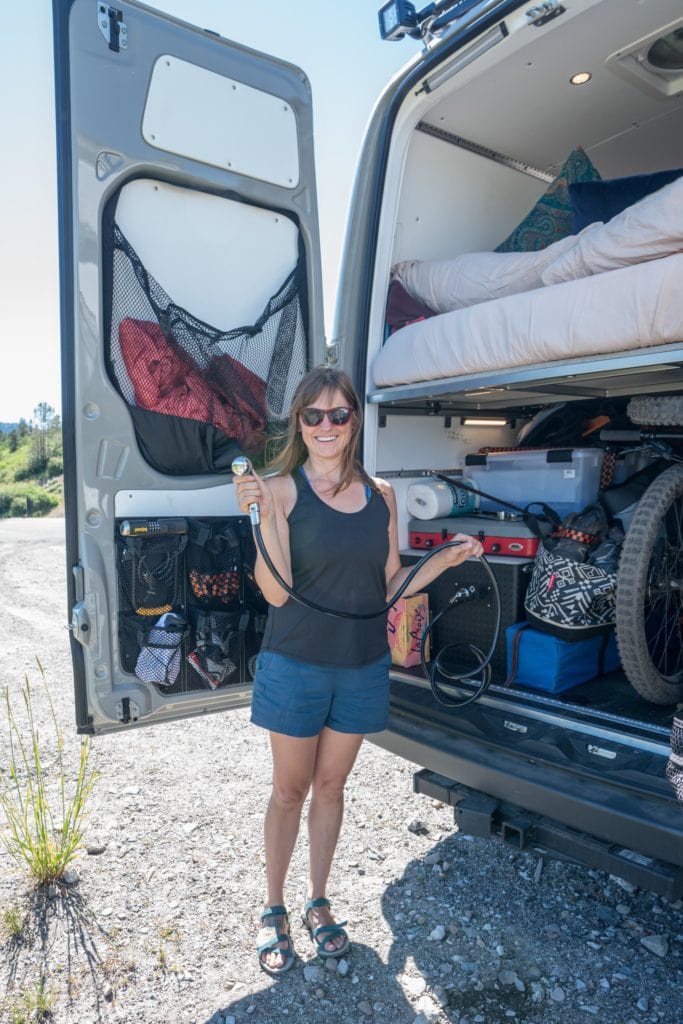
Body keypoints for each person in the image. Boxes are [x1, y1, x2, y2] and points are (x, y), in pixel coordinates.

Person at [234, 365, 483, 975]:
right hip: (296, 665)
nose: (326, 426)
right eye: (313, 415)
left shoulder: (382, 496)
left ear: (354, 421)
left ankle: (318, 902)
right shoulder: (279, 489)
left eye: (338, 415)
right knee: (289, 791)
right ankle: (274, 910)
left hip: (361, 665)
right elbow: (275, 593)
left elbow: (390, 586)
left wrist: (444, 560)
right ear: (299, 421)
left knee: (332, 788)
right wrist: (262, 518)